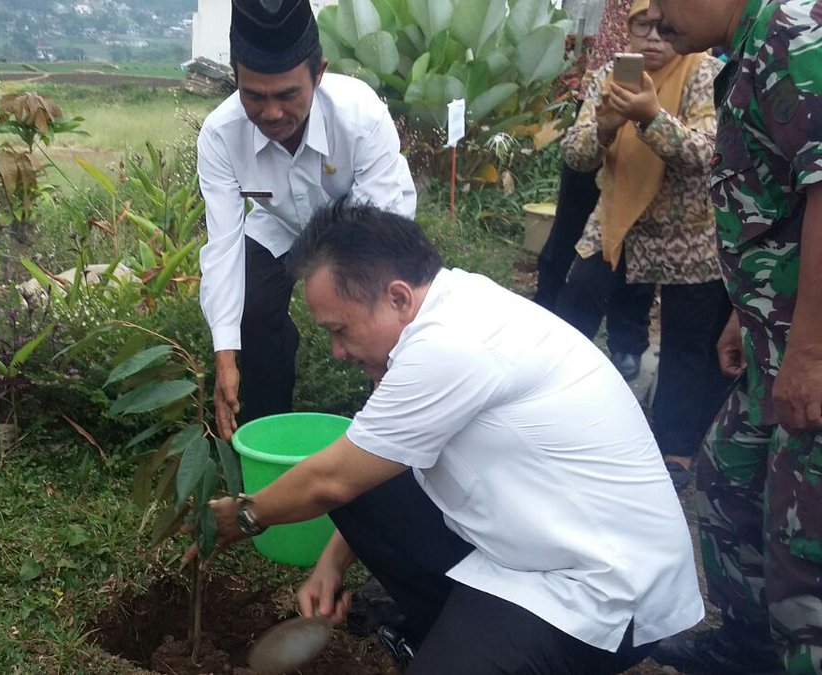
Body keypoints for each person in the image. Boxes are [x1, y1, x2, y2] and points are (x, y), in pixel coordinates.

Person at [186, 201, 704, 674]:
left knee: (335, 480)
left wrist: (243, 516)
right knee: (364, 477)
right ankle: (455, 634)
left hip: (598, 587)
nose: (337, 352)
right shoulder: (450, 303)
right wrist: (330, 562)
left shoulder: (451, 346)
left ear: (397, 297)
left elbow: (332, 481)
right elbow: (362, 470)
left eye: (339, 330)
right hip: (534, 540)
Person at [642, 0, 822, 670]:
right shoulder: (746, 48)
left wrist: (809, 350)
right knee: (727, 481)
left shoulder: (794, 40)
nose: (655, 18)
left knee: (804, 547)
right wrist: (743, 315)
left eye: (662, 1)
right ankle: (746, 648)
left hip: (809, 354)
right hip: (773, 342)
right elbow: (774, 208)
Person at [197, 0, 416, 441]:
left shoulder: (360, 116)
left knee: (386, 317)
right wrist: (226, 354)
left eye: (288, 95)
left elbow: (381, 242)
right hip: (277, 225)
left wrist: (374, 340)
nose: (272, 113)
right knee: (251, 310)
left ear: (319, 74)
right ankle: (265, 430)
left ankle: (389, 420)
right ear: (235, 79)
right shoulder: (221, 135)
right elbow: (222, 247)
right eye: (254, 96)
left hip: (362, 224)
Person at [554, 0, 733, 490]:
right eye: (642, 26)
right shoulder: (612, 75)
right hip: (614, 226)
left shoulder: (706, 73)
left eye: (664, 27)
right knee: (572, 318)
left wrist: (652, 117)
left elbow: (706, 152)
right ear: (628, 29)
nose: (653, 38)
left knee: (685, 348)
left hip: (687, 238)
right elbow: (576, 153)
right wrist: (609, 125)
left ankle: (674, 453)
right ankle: (555, 418)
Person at [534, 0, 653, 382]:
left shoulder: (678, 42)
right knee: (569, 232)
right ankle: (550, 326)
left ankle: (626, 344)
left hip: (653, 104)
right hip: (602, 91)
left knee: (633, 245)